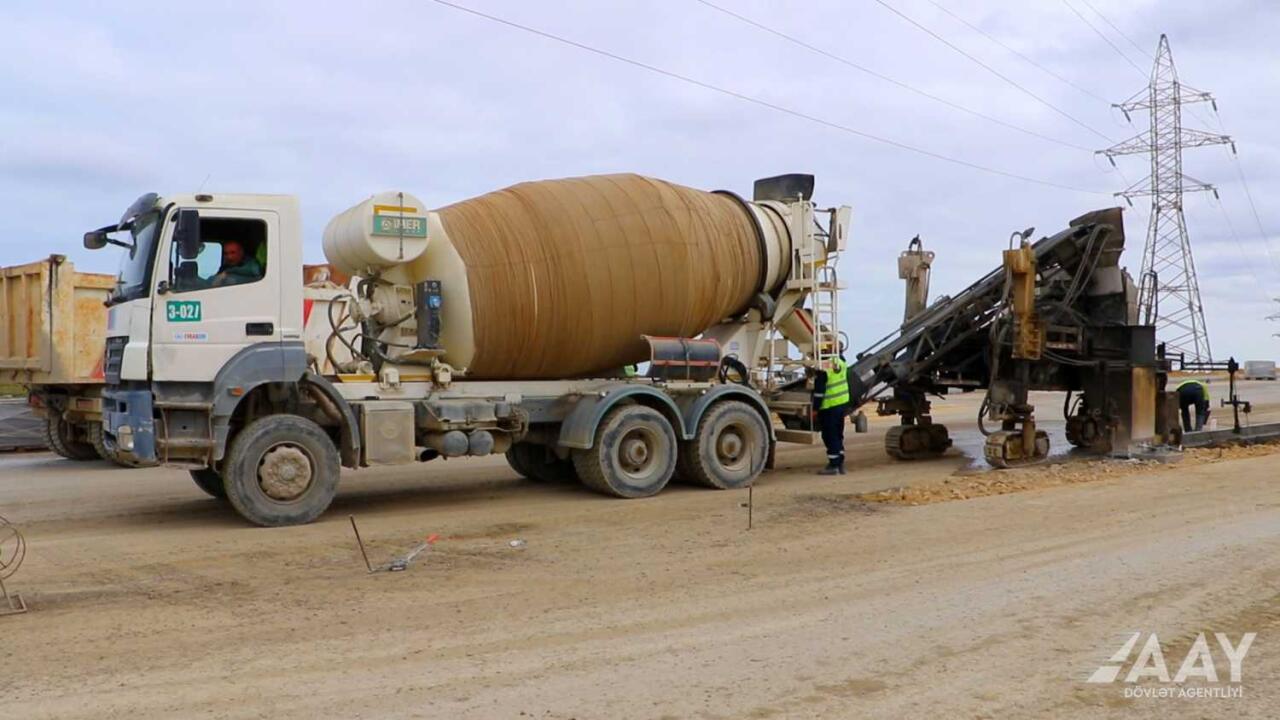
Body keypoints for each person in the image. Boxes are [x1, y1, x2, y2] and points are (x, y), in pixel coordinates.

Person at [812, 354, 852, 475]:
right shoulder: (841, 361)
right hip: (841, 403)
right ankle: (840, 464)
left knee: (830, 436)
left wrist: (815, 409)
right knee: (838, 434)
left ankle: (833, 465)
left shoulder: (823, 367)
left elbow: (819, 392)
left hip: (829, 406)